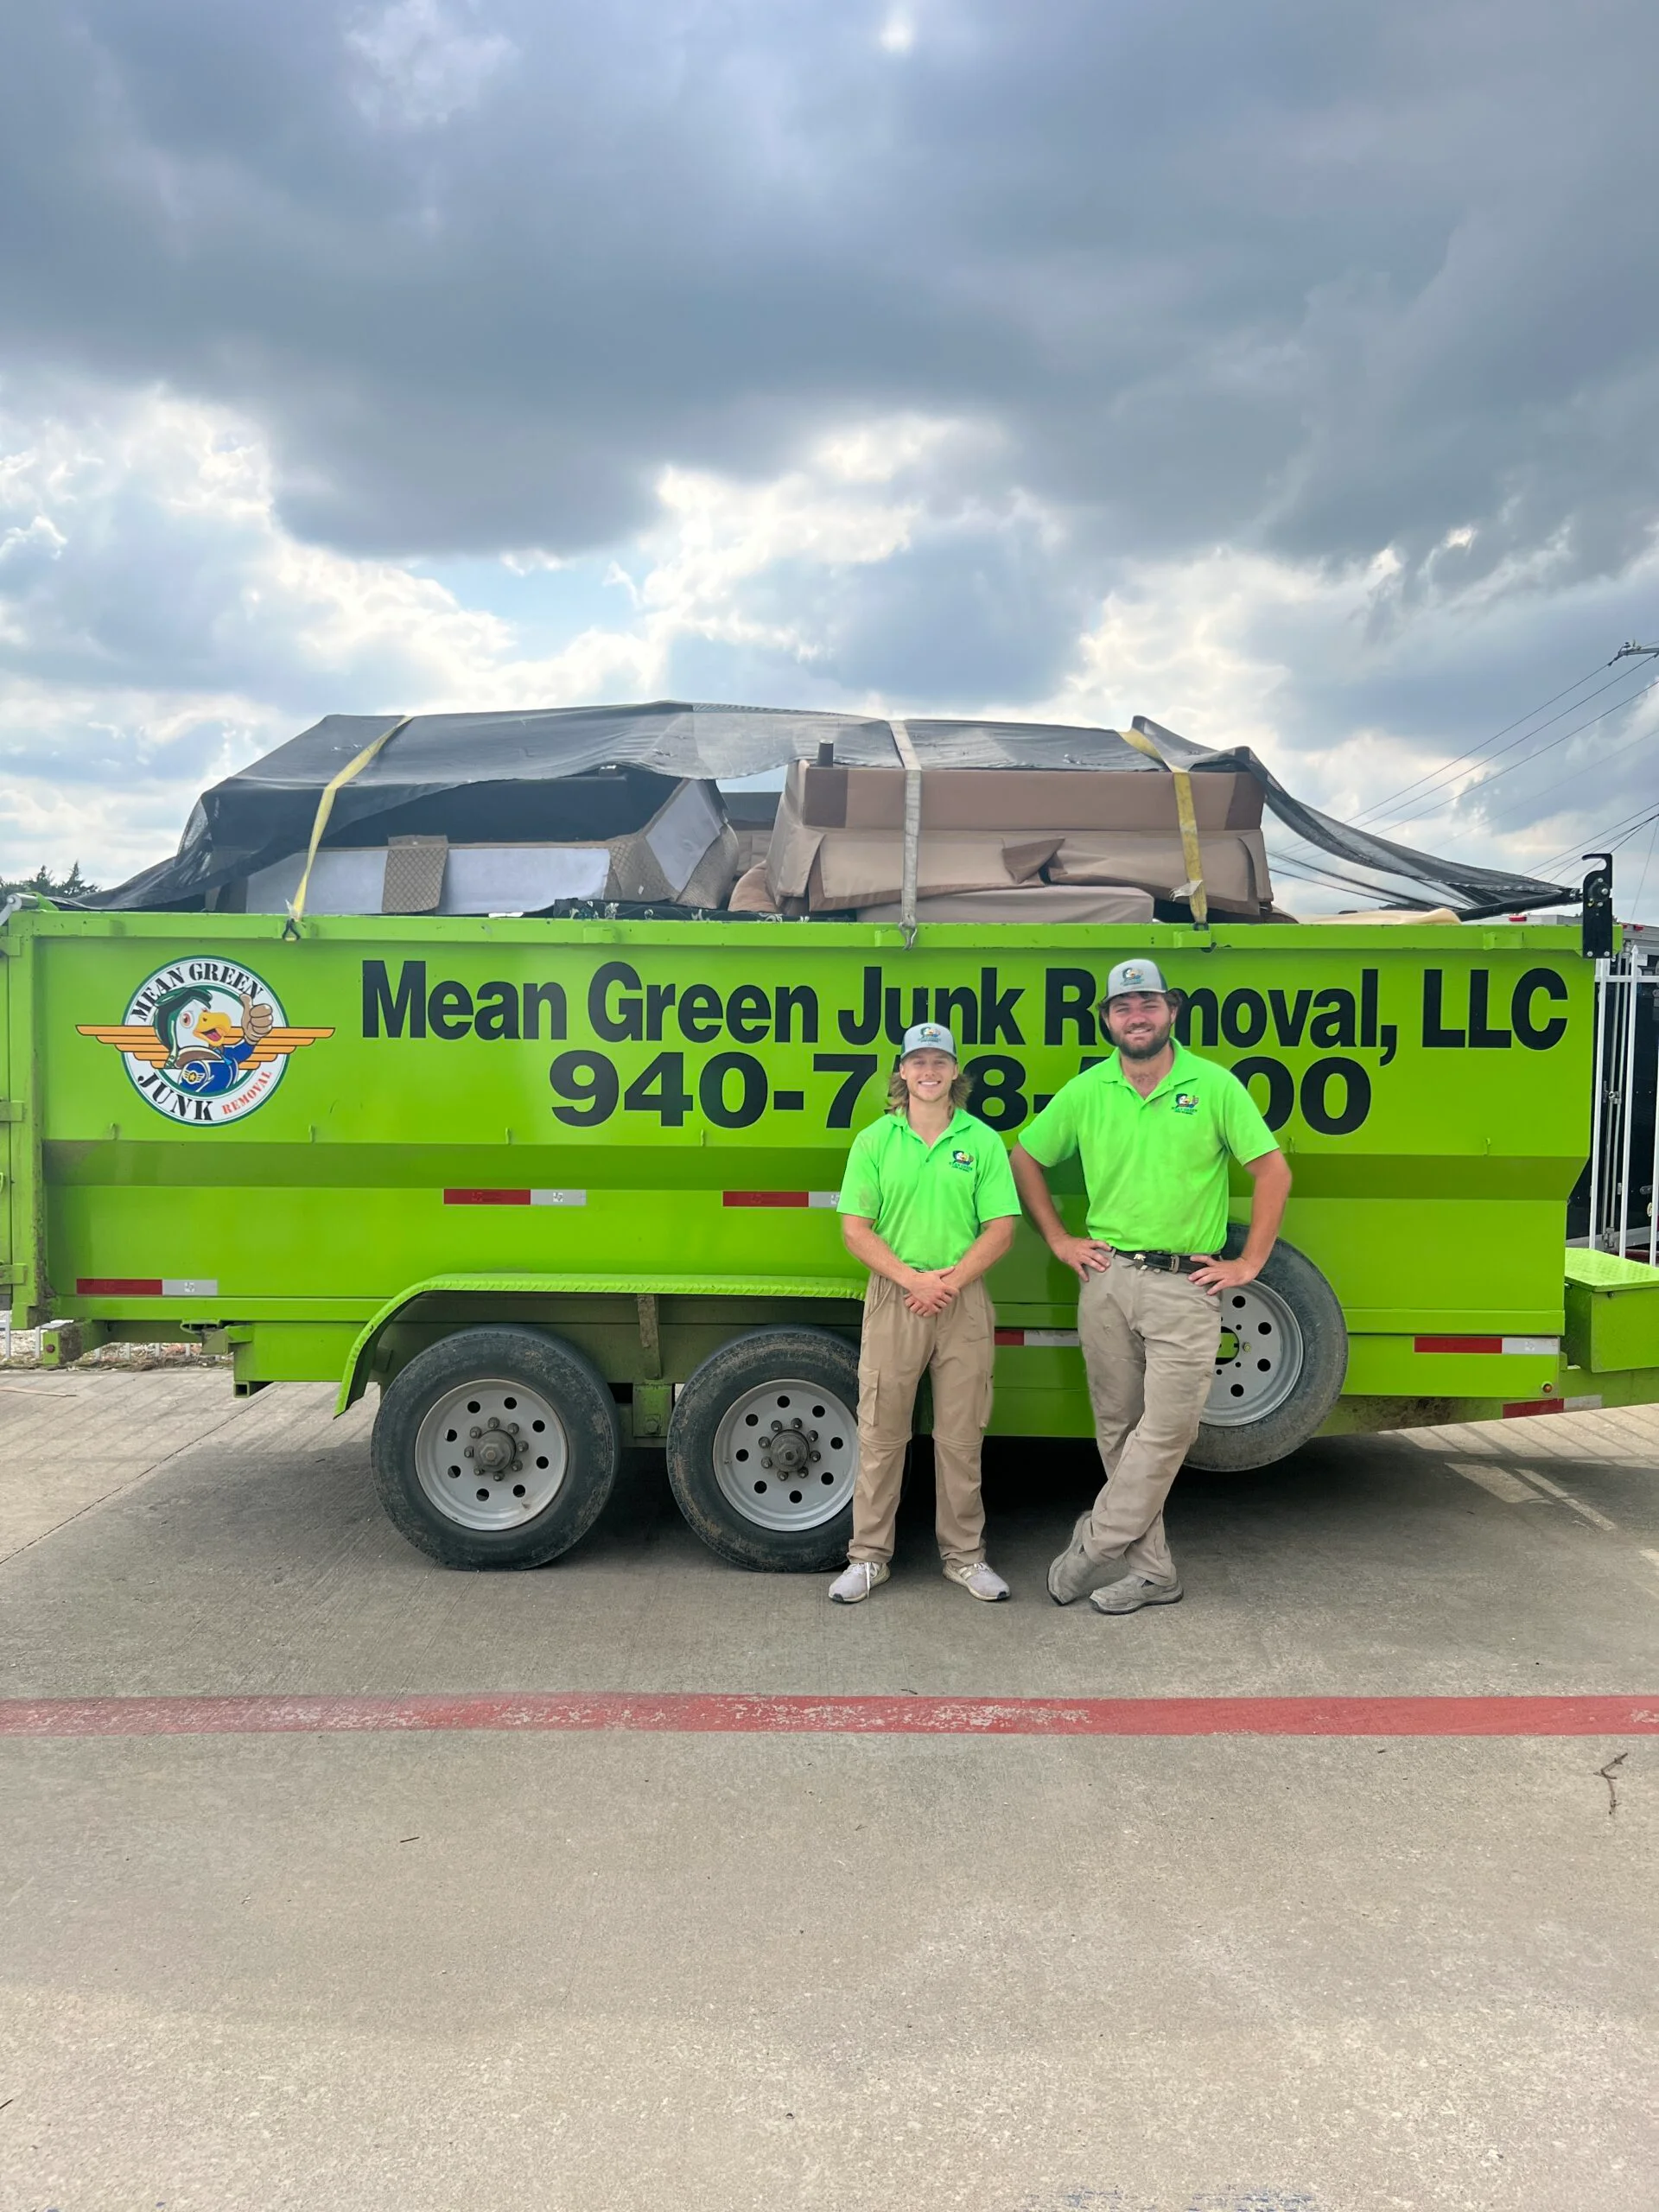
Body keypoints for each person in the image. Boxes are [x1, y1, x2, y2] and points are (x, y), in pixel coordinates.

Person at [1010, 958, 1292, 1616]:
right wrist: (1058, 1239)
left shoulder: (1214, 1086)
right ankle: (1154, 1572)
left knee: (1167, 1431)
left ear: (1170, 1011)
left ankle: (1095, 1543)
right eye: (1123, 1007)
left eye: (1148, 1004)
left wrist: (1248, 1263)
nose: (1137, 1017)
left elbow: (1273, 1172)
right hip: (1107, 1280)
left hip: (1183, 1286)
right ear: (1109, 1020)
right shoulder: (1088, 1091)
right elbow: (1025, 1158)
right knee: (1118, 1429)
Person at [830, 1022, 1022, 1605]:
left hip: (962, 1299)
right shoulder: (874, 1141)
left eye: (940, 1061)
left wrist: (948, 1282)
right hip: (896, 1295)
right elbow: (854, 1229)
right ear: (903, 1073)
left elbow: (1002, 1228)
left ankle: (965, 1558)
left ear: (955, 1072)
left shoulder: (981, 1140)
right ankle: (868, 1559)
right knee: (882, 1435)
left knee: (961, 1438)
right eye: (919, 1062)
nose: (930, 1071)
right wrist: (913, 1279)